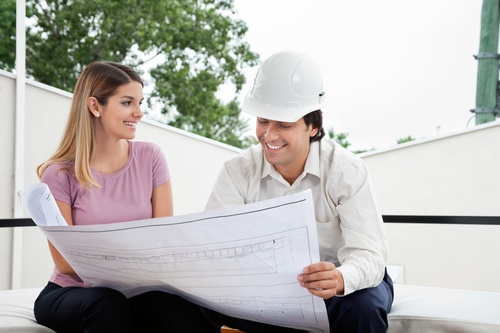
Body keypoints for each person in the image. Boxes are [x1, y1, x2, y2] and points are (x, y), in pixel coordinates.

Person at [204, 50, 394, 333]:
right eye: (263, 121)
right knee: (182, 305)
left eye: (284, 124)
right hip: (266, 286)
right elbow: (213, 246)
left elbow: (369, 254)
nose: (269, 135)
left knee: (363, 308)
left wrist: (341, 278)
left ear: (313, 126)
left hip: (338, 281)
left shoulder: (346, 171)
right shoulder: (237, 171)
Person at [34, 61, 215, 333]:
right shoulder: (58, 174)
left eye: (141, 102)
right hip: (70, 292)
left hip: (133, 292)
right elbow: (67, 264)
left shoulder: (151, 157)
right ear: (95, 106)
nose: (139, 113)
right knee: (108, 304)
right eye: (128, 102)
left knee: (187, 310)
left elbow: (162, 238)